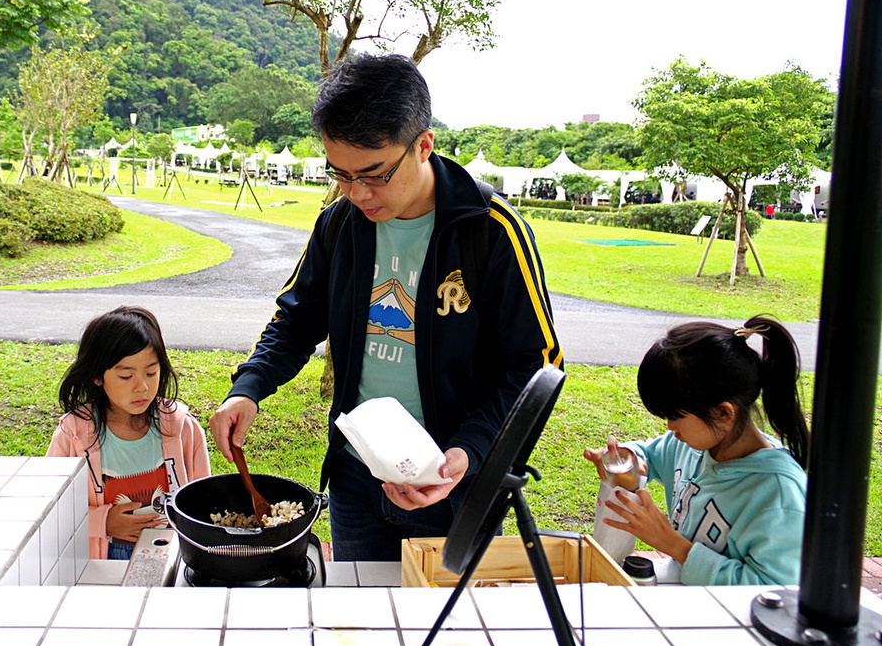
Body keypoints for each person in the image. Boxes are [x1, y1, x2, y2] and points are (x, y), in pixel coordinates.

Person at [210, 54, 562, 561]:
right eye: (341, 175)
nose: (357, 193)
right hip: (359, 476)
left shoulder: (490, 231)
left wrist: (469, 451)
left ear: (423, 145)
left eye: (373, 174)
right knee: (359, 624)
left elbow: (537, 364)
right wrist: (249, 388)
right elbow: (297, 318)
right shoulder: (339, 225)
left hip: (454, 481)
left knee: (446, 627)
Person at [583, 315, 809, 586]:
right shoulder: (692, 445)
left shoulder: (777, 494)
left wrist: (672, 544)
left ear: (724, 413)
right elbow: (650, 455)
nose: (670, 427)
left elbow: (775, 593)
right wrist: (626, 460)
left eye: (676, 416)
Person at [47, 306, 211, 560]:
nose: (142, 387)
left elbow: (202, 500)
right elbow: (51, 508)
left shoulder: (183, 428)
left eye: (151, 372)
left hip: (174, 552)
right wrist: (102, 522)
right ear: (97, 376)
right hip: (103, 557)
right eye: (126, 376)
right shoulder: (74, 434)